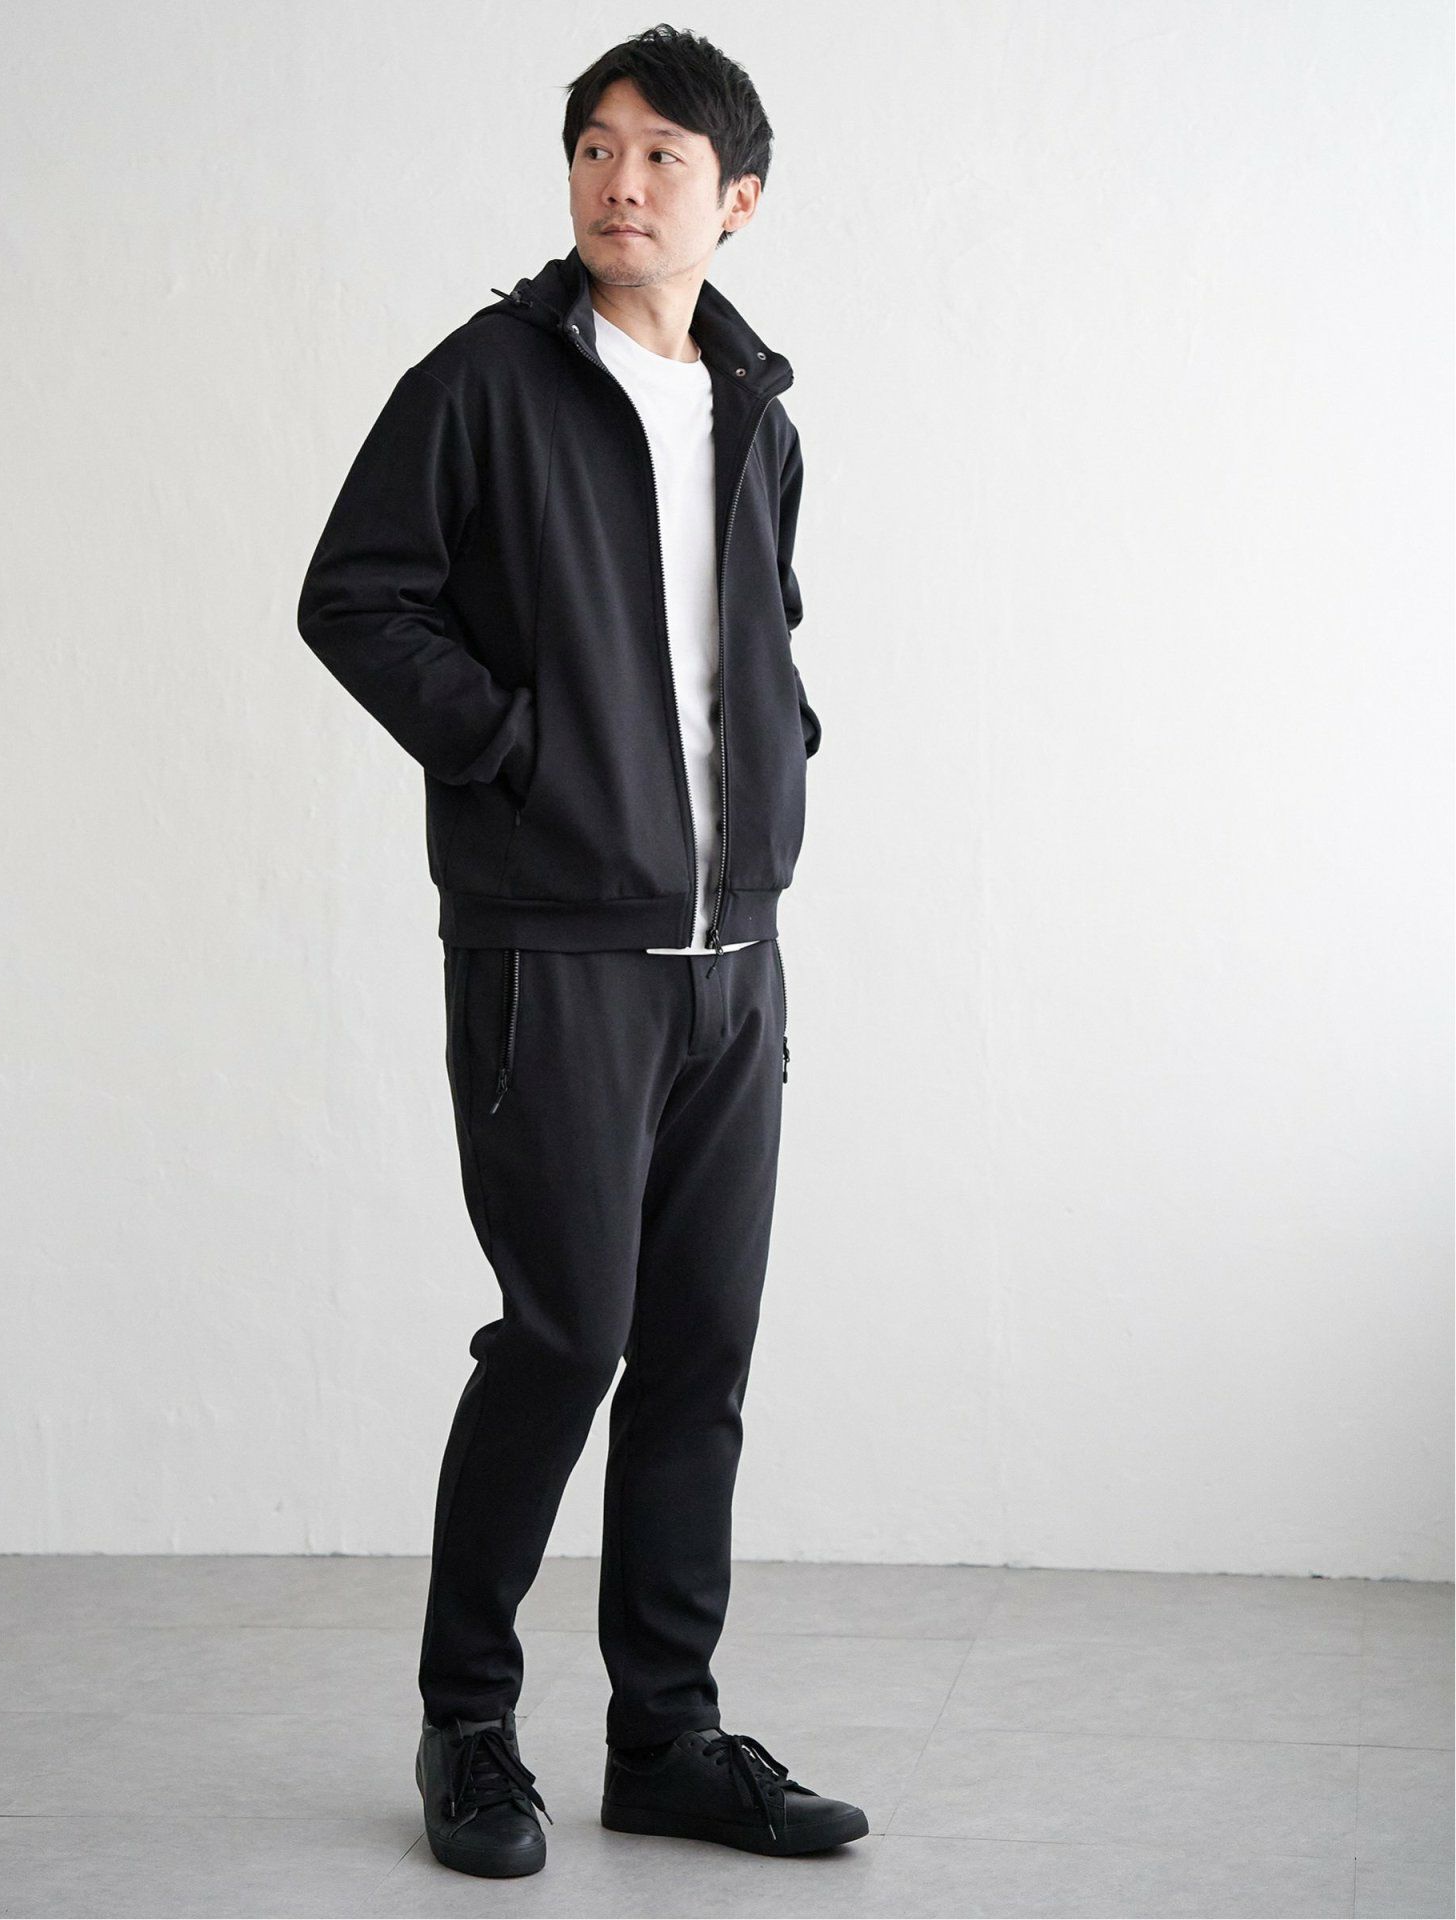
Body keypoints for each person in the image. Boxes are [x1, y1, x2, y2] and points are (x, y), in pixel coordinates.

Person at [297, 23, 865, 1880]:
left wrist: (777, 766)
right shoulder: (484, 383)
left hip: (734, 954)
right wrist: (523, 753)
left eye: (663, 157)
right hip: (556, 950)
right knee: (569, 1337)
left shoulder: (757, 412)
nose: (622, 184)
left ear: (737, 200)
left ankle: (667, 1738)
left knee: (699, 1350)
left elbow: (757, 635)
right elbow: (354, 597)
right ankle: (469, 1724)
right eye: (597, 149)